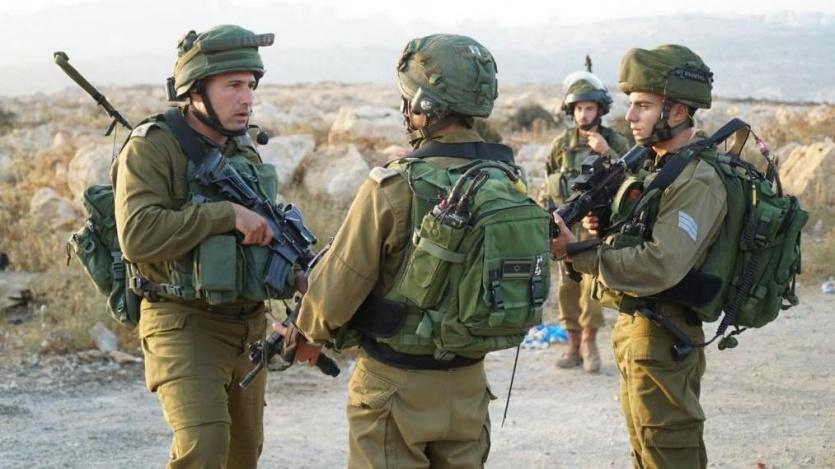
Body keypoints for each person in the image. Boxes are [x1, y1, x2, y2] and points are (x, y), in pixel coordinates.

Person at [285, 34, 514, 468]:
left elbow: (334, 295)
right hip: (469, 388)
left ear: (424, 106)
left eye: (409, 100)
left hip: (395, 389)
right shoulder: (505, 181)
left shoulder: (393, 187)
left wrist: (307, 329)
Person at [112, 25, 296, 468]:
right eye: (232, 85)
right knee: (205, 447)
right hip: (182, 319)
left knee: (243, 454)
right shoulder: (152, 147)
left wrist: (299, 275)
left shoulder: (242, 152)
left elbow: (258, 243)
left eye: (250, 85)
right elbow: (137, 235)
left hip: (247, 323)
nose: (246, 98)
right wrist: (226, 214)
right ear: (195, 90)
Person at [551, 44, 722, 468]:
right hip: (639, 330)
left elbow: (660, 264)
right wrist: (604, 228)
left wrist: (579, 254)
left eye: (643, 106)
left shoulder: (696, 178)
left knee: (668, 452)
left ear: (677, 111)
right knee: (645, 449)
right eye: (630, 104)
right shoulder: (658, 166)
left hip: (665, 334)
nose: (630, 116)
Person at [543, 71, 629, 372]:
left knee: (592, 286)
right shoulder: (561, 145)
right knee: (567, 286)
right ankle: (573, 343)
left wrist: (606, 151)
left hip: (595, 226)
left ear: (600, 110)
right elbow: (549, 181)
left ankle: (590, 342)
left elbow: (633, 177)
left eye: (589, 108)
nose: (583, 114)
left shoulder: (615, 140)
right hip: (565, 226)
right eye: (578, 108)